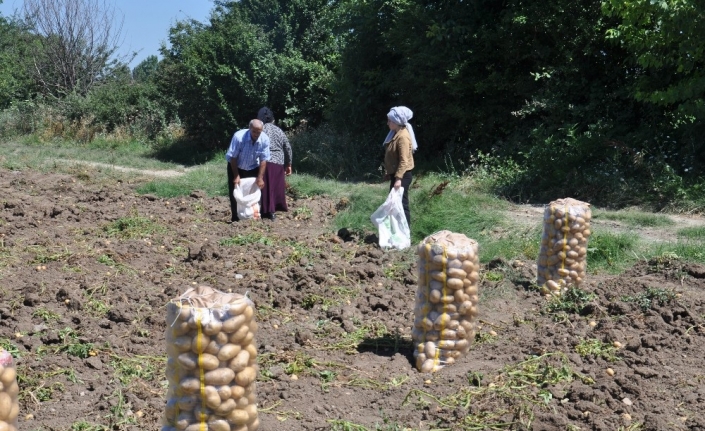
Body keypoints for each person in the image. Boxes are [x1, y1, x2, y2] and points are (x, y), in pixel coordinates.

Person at [226, 119, 271, 222]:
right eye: (254, 131)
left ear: (262, 130)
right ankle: (236, 218)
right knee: (235, 191)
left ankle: (252, 216)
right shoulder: (239, 137)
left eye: (258, 132)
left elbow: (264, 160)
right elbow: (233, 158)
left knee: (253, 190)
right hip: (236, 166)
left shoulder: (264, 139)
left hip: (252, 167)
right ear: (249, 129)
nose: (256, 134)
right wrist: (236, 175)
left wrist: (260, 178)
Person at [383, 106, 416, 227]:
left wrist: (398, 179)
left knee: (401, 204)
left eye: (390, 121)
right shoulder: (395, 133)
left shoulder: (402, 137)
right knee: (394, 204)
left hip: (403, 176)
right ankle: (396, 231)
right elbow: (393, 157)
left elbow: (404, 160)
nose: (388, 123)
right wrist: (389, 172)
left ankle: (405, 232)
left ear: (396, 122)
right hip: (396, 174)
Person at [256, 107, 292, 220]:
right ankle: (273, 210)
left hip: (264, 161)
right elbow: (287, 147)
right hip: (278, 161)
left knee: (265, 187)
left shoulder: (260, 130)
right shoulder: (279, 131)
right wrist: (289, 163)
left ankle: (265, 210)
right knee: (275, 186)